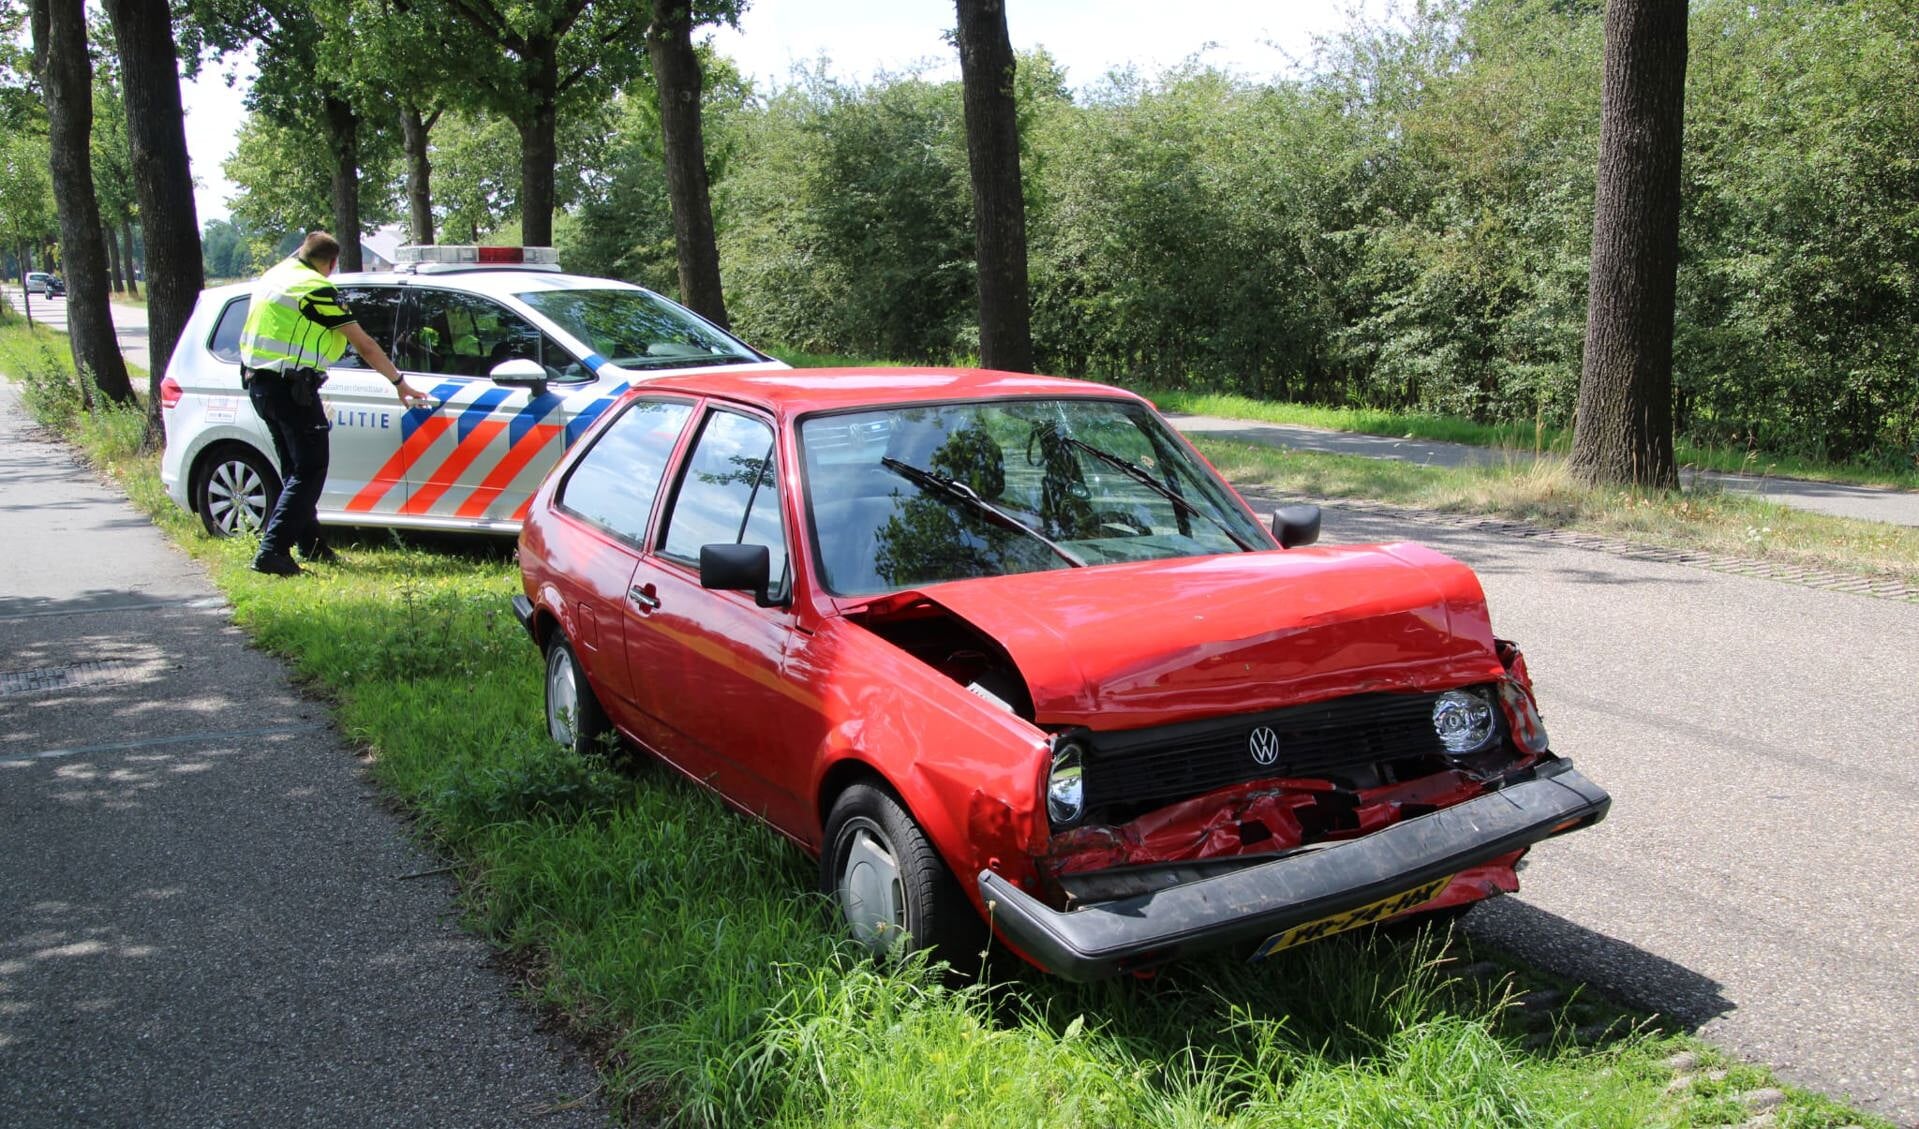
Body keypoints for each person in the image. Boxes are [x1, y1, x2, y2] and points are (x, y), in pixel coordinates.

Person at [237, 231, 430, 575]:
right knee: (310, 470)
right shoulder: (315, 288)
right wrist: (399, 383)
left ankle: (310, 545)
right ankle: (272, 551)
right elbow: (364, 344)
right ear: (331, 263)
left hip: (260, 385)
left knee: (295, 469)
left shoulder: (276, 276)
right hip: (290, 388)